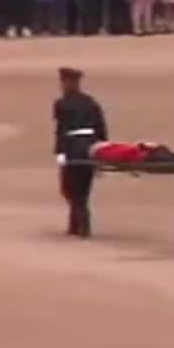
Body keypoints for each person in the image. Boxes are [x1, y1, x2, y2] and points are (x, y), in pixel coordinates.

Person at [53, 67, 108, 238]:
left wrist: (60, 152)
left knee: (70, 188)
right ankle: (76, 224)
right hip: (91, 147)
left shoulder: (61, 104)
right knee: (82, 188)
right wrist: (101, 149)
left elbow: (61, 130)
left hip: (73, 148)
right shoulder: (91, 102)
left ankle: (81, 225)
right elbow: (101, 128)